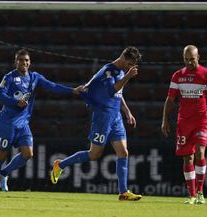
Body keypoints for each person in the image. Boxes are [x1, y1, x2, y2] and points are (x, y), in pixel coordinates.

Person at [0, 49, 85, 196]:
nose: (24, 63)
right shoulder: (10, 77)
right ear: (16, 62)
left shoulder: (34, 77)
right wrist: (15, 102)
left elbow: (52, 86)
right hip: (7, 123)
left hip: (23, 123)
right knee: (2, 154)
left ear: (30, 62)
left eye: (26, 60)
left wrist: (72, 91)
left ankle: (4, 173)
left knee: (28, 153)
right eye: (21, 60)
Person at [50, 46, 142, 201]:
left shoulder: (119, 72)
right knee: (94, 154)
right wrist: (128, 76)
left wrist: (127, 112)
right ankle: (60, 165)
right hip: (103, 117)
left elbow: (119, 95)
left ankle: (123, 192)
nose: (130, 67)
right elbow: (111, 91)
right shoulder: (107, 71)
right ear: (123, 57)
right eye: (130, 63)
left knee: (123, 153)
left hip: (116, 117)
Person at [161, 45, 207, 205]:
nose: (189, 62)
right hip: (183, 122)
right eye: (186, 60)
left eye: (192, 59)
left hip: (201, 121)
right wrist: (164, 120)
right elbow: (170, 100)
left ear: (198, 57)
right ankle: (191, 195)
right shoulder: (177, 76)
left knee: (199, 151)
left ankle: (200, 192)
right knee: (187, 158)